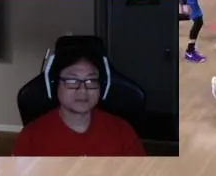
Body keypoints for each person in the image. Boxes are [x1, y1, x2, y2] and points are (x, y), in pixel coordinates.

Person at [11, 50, 146, 156]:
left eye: (91, 81)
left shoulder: (122, 131)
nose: (83, 90)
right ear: (55, 85)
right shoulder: (31, 137)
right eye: (72, 81)